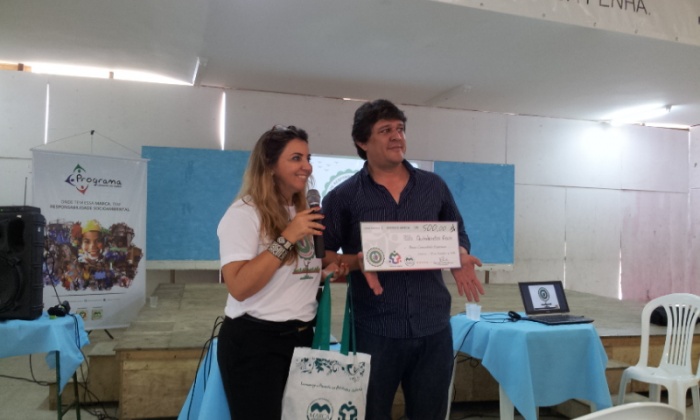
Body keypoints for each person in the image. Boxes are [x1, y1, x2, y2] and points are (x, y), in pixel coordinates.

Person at [322, 99, 485, 419]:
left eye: (400, 129)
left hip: (433, 325)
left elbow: (458, 233)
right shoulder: (343, 196)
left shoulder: (433, 186)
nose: (397, 136)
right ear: (362, 142)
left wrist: (460, 255)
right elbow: (324, 256)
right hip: (374, 328)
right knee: (371, 414)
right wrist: (359, 261)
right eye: (385, 130)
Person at [216, 124, 347, 419]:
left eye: (308, 158)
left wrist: (324, 273)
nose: (307, 166)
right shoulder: (244, 213)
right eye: (296, 158)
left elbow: (293, 270)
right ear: (270, 165)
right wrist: (287, 236)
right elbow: (239, 286)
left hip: (302, 338)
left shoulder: (302, 212)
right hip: (256, 343)